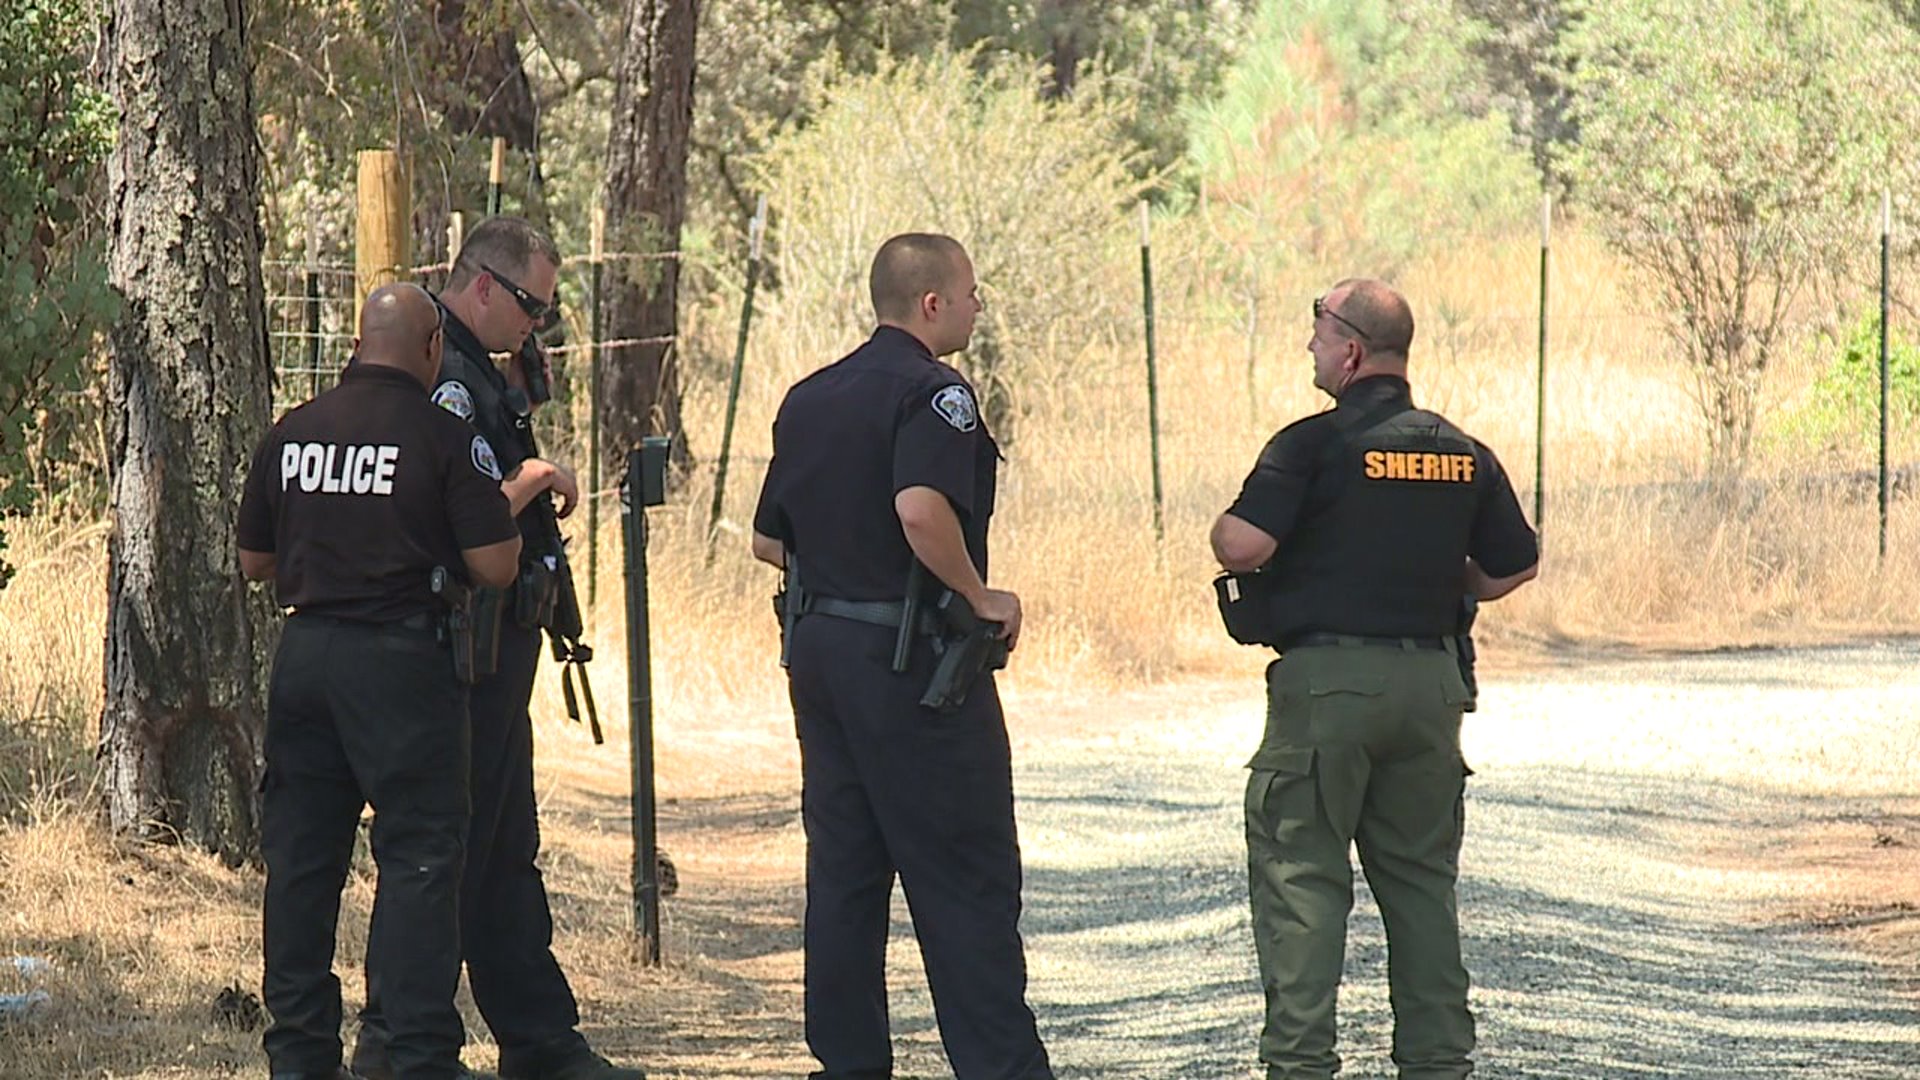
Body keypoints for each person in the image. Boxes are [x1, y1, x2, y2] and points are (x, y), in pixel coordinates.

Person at [1210, 279, 1539, 1080]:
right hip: (1430, 690)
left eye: (1318, 333)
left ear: (1352, 350)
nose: (1311, 348)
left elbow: (1241, 547)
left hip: (1327, 691)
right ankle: (1438, 1064)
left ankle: (1300, 1064)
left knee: (1304, 886)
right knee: (1422, 885)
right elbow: (1515, 564)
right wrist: (1436, 578)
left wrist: (1235, 529)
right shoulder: (1461, 450)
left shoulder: (1311, 445)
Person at [749, 233, 1054, 1080]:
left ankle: (847, 1064)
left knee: (844, 872)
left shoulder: (810, 396)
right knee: (964, 871)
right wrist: (981, 595)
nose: (977, 305)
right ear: (931, 304)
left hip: (820, 654)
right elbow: (922, 511)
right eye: (969, 291)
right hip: (909, 665)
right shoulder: (934, 394)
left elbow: (769, 543)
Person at [351, 218, 643, 1080]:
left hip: (498, 651)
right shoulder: (442, 378)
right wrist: (539, 477)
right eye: (530, 306)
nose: (537, 325)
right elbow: (458, 505)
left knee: (505, 852)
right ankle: (399, 1042)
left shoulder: (486, 371)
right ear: (481, 284)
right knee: (445, 853)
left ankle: (541, 1039)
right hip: (453, 657)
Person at [239, 282, 523, 1080]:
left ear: (358, 344)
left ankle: (298, 1053)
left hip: (304, 660)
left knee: (300, 862)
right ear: (433, 349)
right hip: (401, 664)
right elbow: (496, 565)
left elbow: (255, 562)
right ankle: (407, 1052)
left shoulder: (294, 432)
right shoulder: (443, 435)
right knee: (420, 858)